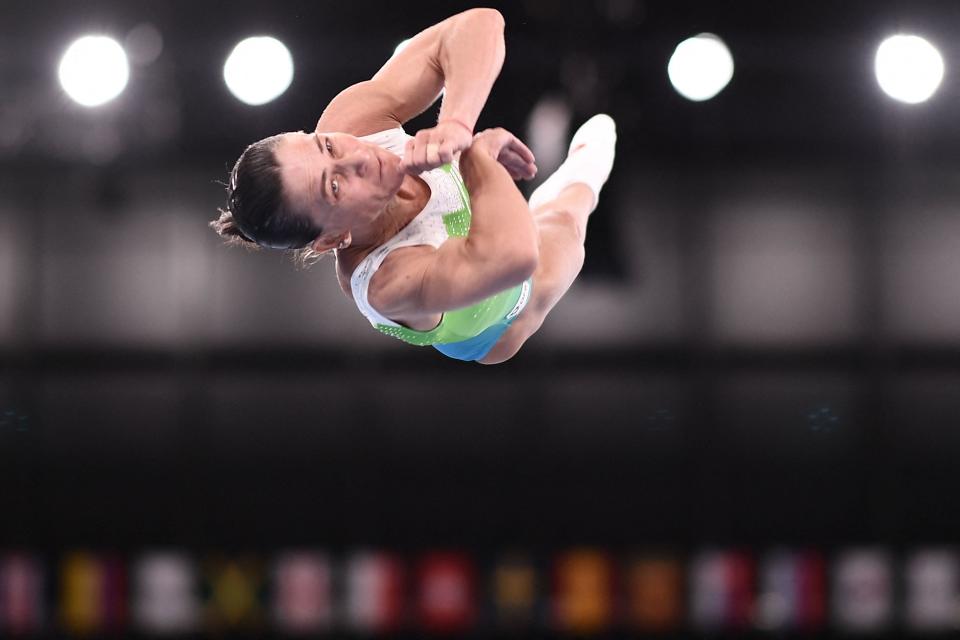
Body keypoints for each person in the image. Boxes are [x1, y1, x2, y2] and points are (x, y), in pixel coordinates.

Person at [210, 8, 616, 364]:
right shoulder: (387, 281)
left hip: (486, 240)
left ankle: (561, 183)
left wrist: (456, 122)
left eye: (326, 145)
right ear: (332, 238)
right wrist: (478, 158)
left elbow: (480, 23)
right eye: (334, 186)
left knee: (542, 214)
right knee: (564, 222)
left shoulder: (353, 122)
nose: (357, 158)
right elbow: (515, 256)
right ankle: (578, 178)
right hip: (496, 317)